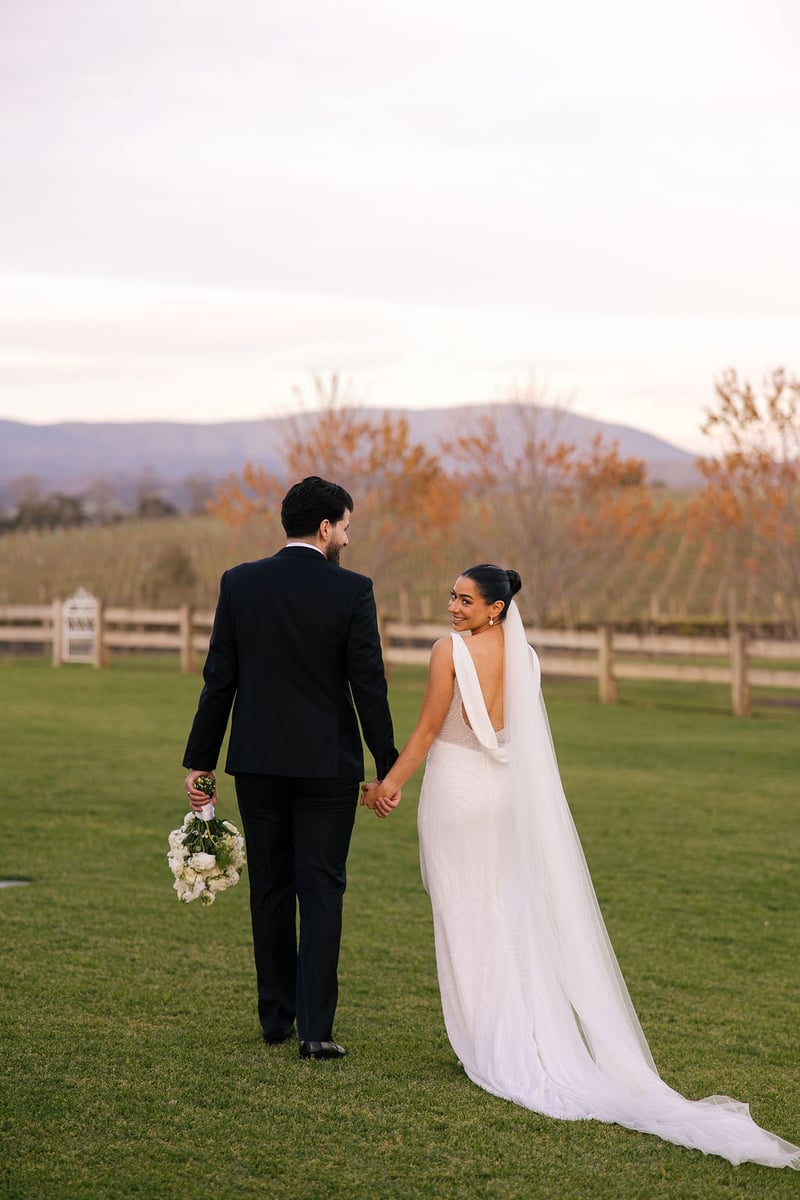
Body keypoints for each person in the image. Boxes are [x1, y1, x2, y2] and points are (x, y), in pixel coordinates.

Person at [361, 564, 800, 1169]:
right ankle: (519, 1033)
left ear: (495, 608)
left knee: (467, 913)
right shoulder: (529, 658)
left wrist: (388, 786)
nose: (452, 607)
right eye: (451, 597)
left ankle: (492, 1045)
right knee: (505, 910)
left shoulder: (448, 652)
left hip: (459, 794)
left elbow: (429, 729)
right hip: (506, 798)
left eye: (465, 600)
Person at [183, 476, 399, 1060]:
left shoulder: (240, 583)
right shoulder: (353, 591)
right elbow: (368, 686)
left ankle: (275, 1018)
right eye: (346, 527)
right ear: (326, 527)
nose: (348, 540)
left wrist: (201, 763)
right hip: (327, 765)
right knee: (322, 887)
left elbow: (218, 680)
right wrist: (388, 765)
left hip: (256, 763)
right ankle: (315, 1031)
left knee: (271, 886)